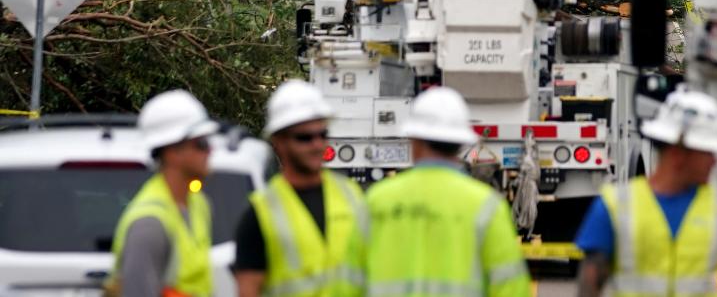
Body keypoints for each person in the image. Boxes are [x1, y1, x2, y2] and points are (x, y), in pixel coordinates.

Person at [361, 86, 530, 297]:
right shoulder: (487, 206)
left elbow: (349, 282)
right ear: (460, 143)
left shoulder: (377, 200)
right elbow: (511, 288)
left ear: (414, 138)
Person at [576, 89, 717, 297]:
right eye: (707, 152)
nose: (714, 161)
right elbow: (589, 287)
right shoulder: (615, 206)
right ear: (678, 154)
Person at [233, 80, 367, 297]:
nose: (317, 145)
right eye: (304, 137)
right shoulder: (260, 214)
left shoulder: (351, 195)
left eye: (322, 135)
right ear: (279, 141)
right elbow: (248, 290)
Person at [110, 89, 218, 297]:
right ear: (172, 151)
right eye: (201, 144)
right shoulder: (149, 224)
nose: (210, 151)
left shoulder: (199, 204)